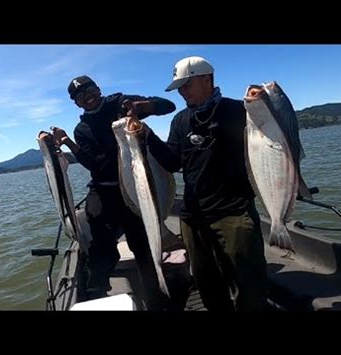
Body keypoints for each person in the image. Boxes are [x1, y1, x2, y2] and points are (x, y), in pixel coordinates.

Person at [144, 56, 268, 311]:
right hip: (193, 216)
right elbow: (172, 162)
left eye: (186, 85)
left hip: (233, 212)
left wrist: (264, 103)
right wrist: (147, 137)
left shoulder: (239, 111)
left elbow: (273, 139)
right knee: (206, 280)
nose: (182, 92)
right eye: (179, 88)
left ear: (207, 79)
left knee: (248, 281)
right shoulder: (180, 120)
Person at [51, 75, 180, 310]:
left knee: (142, 247)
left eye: (89, 90)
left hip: (135, 187)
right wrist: (68, 142)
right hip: (104, 190)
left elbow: (168, 106)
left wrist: (143, 107)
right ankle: (96, 295)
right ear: (76, 103)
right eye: (79, 95)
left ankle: (157, 298)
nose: (87, 96)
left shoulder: (122, 103)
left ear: (98, 88)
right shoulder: (82, 129)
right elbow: (94, 164)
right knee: (101, 250)